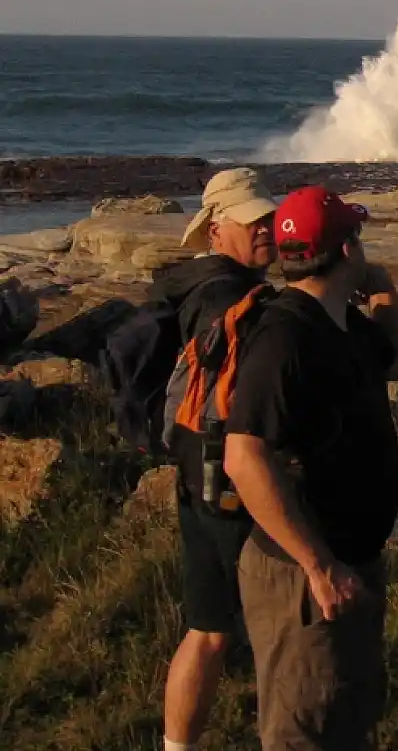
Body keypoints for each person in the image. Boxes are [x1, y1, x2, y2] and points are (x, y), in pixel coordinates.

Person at [222, 185, 398, 751]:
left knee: (346, 713)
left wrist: (380, 289)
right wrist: (317, 564)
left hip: (346, 560)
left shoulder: (341, 325)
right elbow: (244, 455)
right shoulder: (284, 337)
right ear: (348, 249)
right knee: (302, 726)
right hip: (301, 573)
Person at [155, 167, 278, 751]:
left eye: (267, 218)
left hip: (194, 475)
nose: (265, 229)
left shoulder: (191, 289)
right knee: (278, 631)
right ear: (214, 231)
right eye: (250, 221)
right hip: (235, 485)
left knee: (206, 631)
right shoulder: (240, 299)